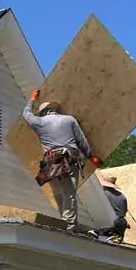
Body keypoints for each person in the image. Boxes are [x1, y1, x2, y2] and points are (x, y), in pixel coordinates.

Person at [22, 89, 103, 232]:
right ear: (55, 109)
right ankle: (69, 224)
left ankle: (65, 221)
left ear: (42, 112)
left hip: (52, 163)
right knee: (69, 193)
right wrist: (92, 157)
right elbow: (81, 140)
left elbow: (26, 114)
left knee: (58, 192)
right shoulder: (69, 119)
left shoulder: (39, 122)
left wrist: (32, 99)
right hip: (70, 159)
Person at [91, 174, 130, 243]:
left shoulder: (102, 193)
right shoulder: (122, 196)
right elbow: (123, 213)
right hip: (121, 224)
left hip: (108, 223)